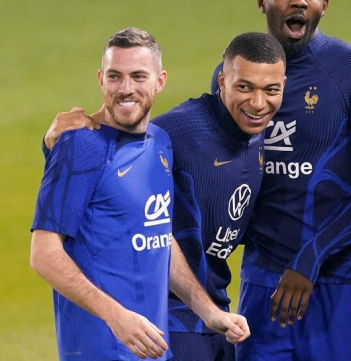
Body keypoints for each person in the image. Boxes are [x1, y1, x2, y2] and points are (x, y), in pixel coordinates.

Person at [41, 31, 285, 360]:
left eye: (138, 76)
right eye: (116, 76)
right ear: (101, 80)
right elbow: (43, 255)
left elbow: (160, 237)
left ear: (160, 81)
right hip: (101, 348)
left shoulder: (159, 144)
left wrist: (209, 312)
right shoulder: (79, 145)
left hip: (155, 349)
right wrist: (117, 317)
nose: (126, 88)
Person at [208, 0, 351, 361]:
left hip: (340, 282)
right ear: (263, 0)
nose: (299, 1)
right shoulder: (233, 76)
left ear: (323, 6)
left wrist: (310, 258)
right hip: (263, 283)